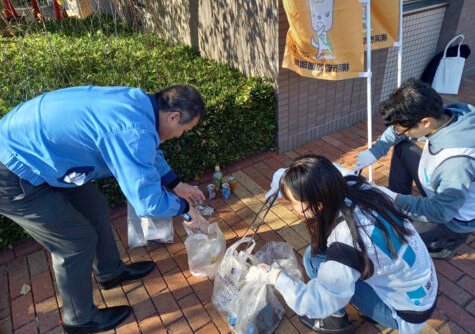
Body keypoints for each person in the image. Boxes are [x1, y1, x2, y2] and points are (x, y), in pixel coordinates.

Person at [0, 84, 206, 333]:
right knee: (75, 242)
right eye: (185, 129)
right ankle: (79, 319)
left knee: (95, 206)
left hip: (43, 154)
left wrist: (176, 183)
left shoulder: (140, 104)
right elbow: (148, 203)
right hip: (13, 171)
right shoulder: (133, 129)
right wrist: (184, 208)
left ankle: (110, 272)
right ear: (174, 117)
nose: (180, 135)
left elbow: (145, 152)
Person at [252, 155, 438, 334]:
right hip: (424, 288)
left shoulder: (347, 242)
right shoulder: (359, 188)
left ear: (318, 204)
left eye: (294, 202)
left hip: (404, 312)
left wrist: (275, 277)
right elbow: (334, 169)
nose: (295, 209)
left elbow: (316, 301)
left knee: (314, 261)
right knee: (316, 254)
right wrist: (288, 176)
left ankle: (335, 320)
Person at [353, 78, 475, 259]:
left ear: (425, 122)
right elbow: (397, 130)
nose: (399, 132)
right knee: (403, 149)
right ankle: (395, 209)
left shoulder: (456, 162)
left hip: (452, 218)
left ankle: (445, 244)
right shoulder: (448, 115)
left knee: (393, 239)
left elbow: (442, 211)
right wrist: (376, 150)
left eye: (403, 129)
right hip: (441, 188)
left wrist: (395, 200)